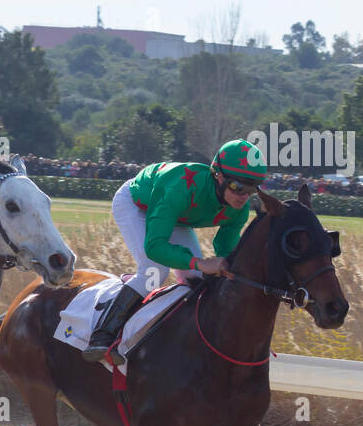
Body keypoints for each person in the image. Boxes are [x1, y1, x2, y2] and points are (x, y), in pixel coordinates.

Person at [82, 138, 266, 364]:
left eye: (252, 189)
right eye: (238, 187)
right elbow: (155, 246)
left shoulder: (240, 208)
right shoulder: (181, 187)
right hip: (137, 203)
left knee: (197, 280)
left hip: (178, 215)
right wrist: (199, 262)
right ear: (218, 175)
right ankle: (102, 336)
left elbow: (226, 249)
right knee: (154, 270)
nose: (244, 197)